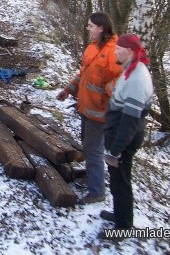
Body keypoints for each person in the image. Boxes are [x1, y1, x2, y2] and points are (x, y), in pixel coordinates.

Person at [57, 12, 122, 204]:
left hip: (100, 113)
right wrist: (69, 90)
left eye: (91, 26)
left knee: (93, 150)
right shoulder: (93, 48)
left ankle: (97, 192)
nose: (88, 29)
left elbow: (121, 80)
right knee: (88, 146)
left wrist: (105, 94)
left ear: (101, 28)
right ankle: (93, 178)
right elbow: (83, 74)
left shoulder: (114, 51)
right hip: (86, 107)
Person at [98, 33, 154, 240]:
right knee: (117, 181)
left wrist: (116, 150)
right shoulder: (131, 69)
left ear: (130, 51)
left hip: (125, 139)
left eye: (119, 49)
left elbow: (130, 121)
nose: (115, 51)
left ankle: (124, 227)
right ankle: (120, 216)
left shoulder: (138, 78)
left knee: (121, 183)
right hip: (119, 135)